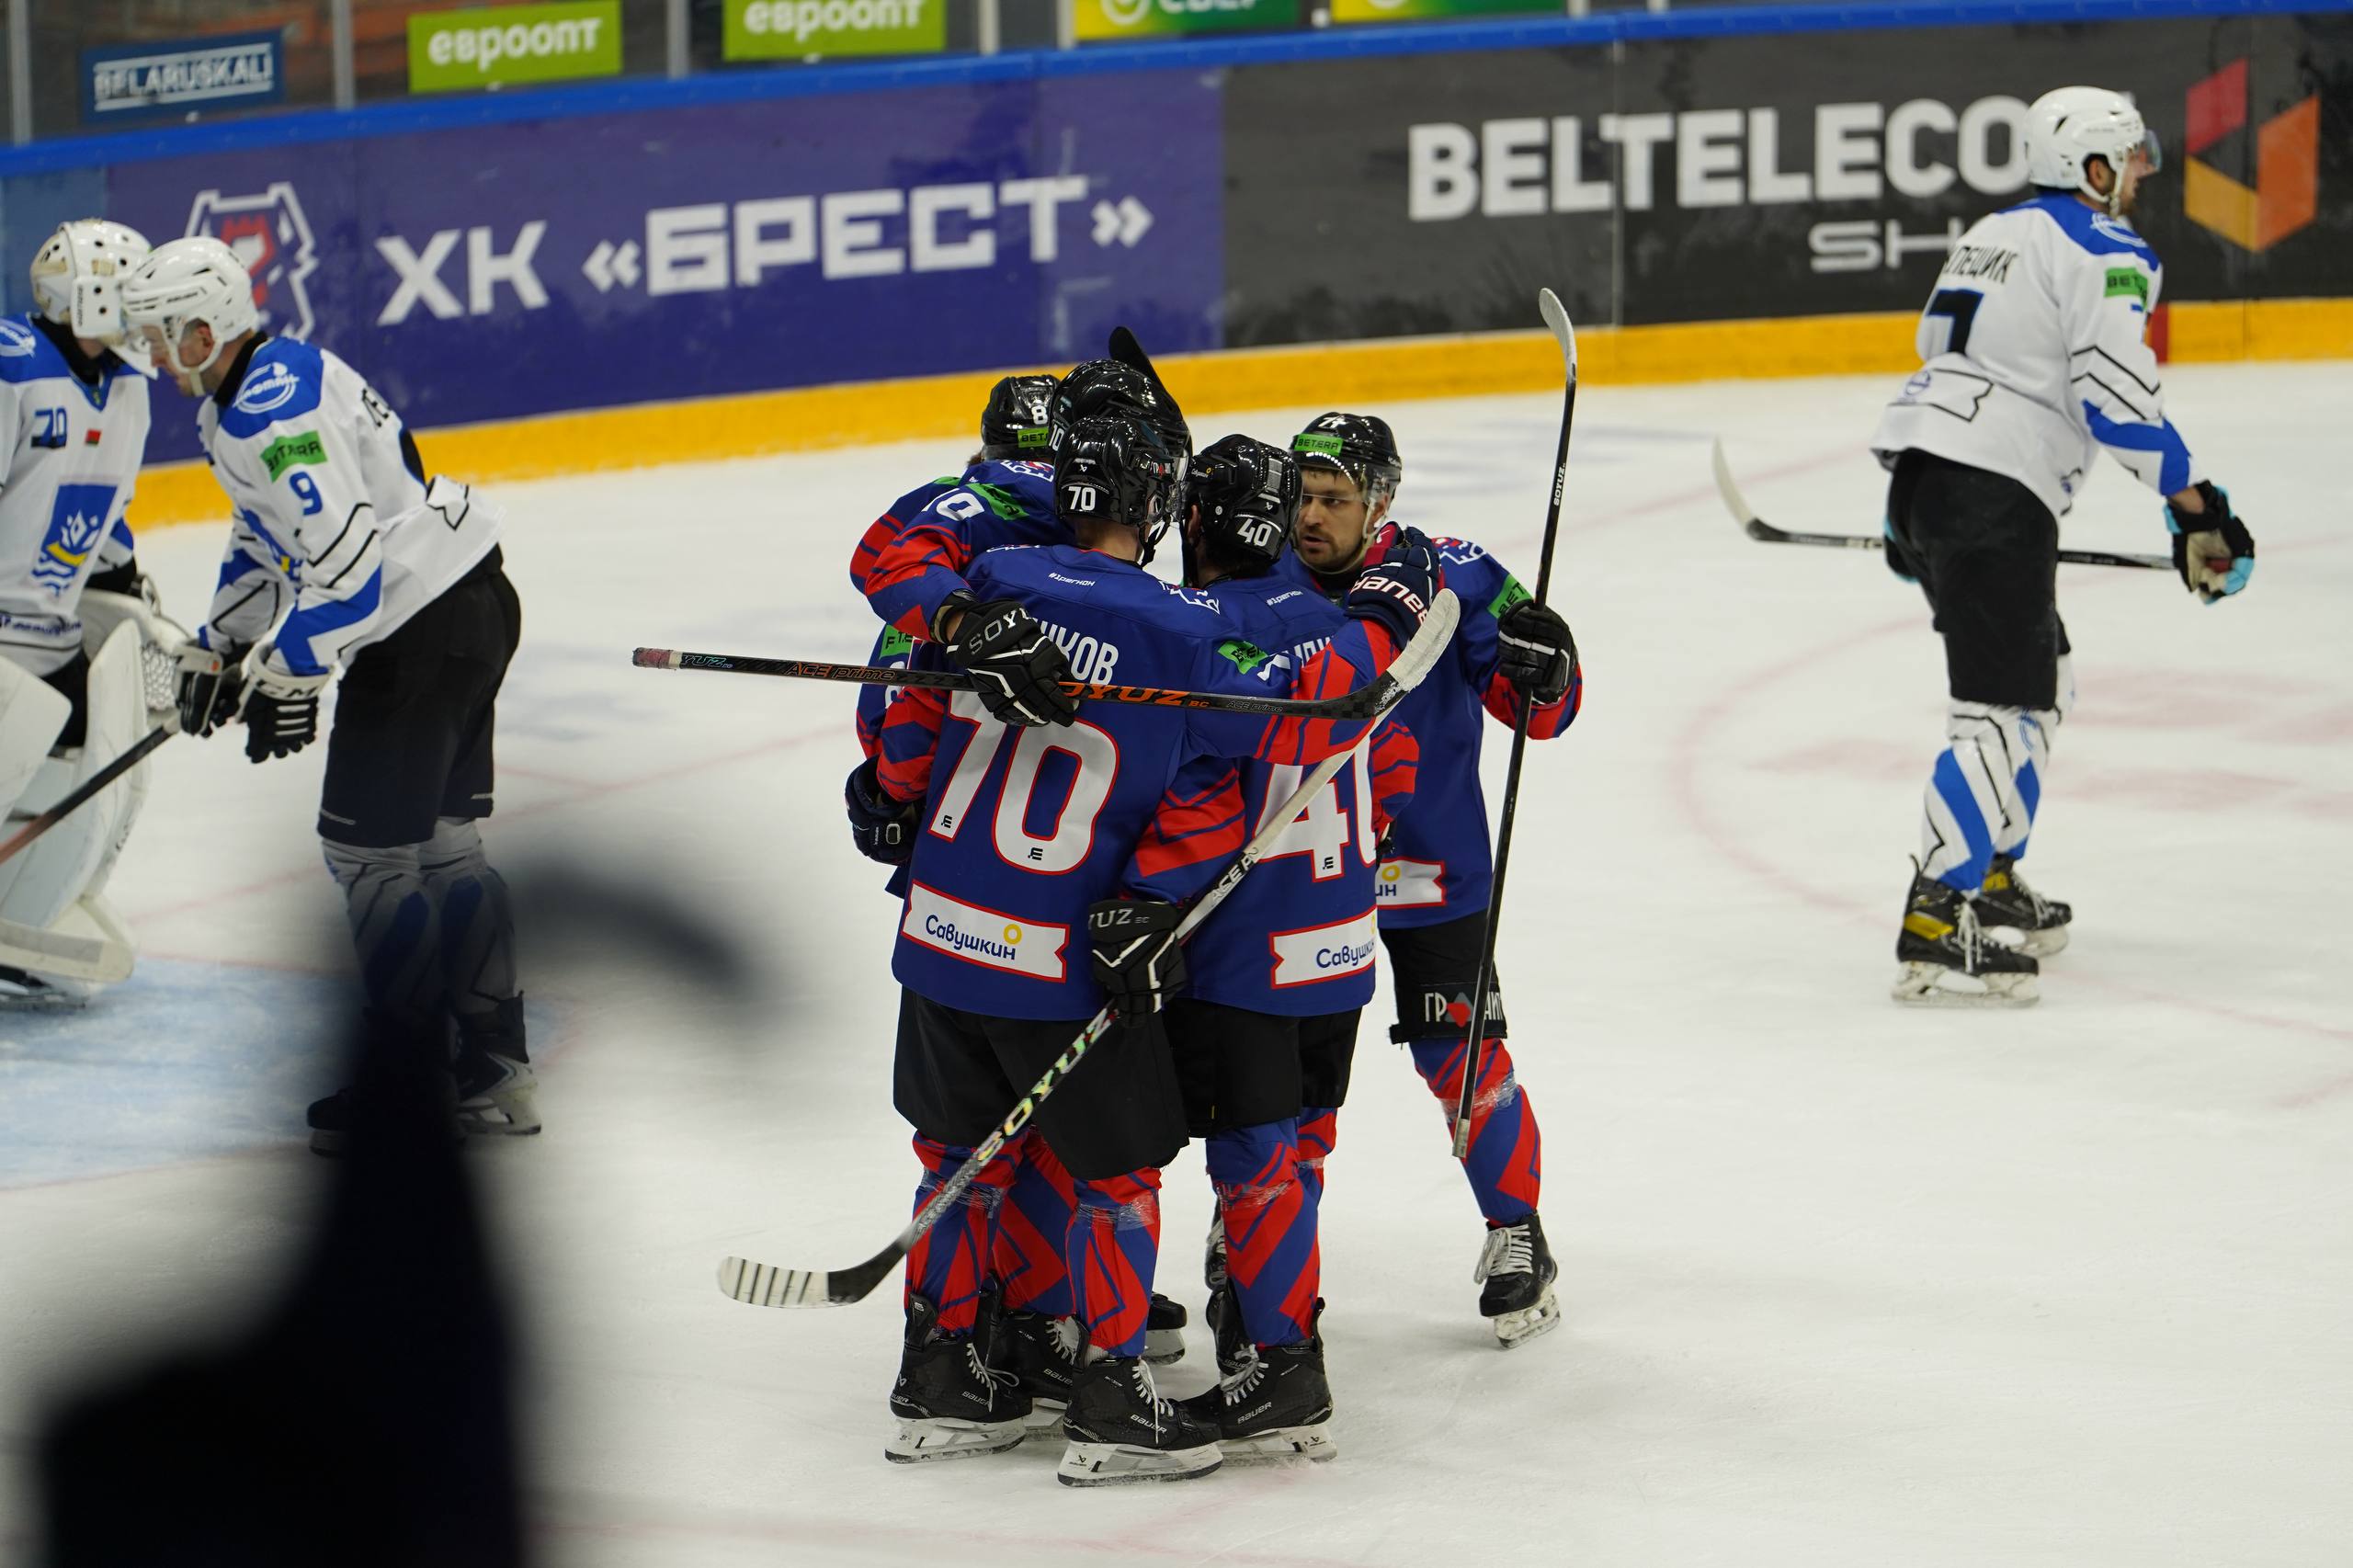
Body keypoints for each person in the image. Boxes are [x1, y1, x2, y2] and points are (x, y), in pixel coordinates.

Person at [853, 410, 1442, 1485]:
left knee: (954, 1156)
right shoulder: (1183, 631)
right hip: (1066, 955)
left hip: (940, 930)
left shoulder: (991, 580)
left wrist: (890, 788)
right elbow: (1284, 736)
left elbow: (906, 714)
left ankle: (941, 1375)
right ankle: (1114, 1394)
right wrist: (1153, 897)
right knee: (1121, 1175)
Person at [118, 236, 529, 1149]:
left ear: (204, 329)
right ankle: (495, 1065)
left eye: (160, 333)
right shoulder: (257, 387)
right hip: (471, 603)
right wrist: (223, 645)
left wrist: (288, 670)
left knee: (371, 858)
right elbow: (267, 537)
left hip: (417, 630)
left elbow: (350, 575)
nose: (151, 352)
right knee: (446, 847)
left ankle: (408, 1087)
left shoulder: (266, 414)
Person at [1870, 85, 2256, 1007]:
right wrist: (2197, 506)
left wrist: (1914, 516)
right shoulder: (2105, 247)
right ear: (2091, 165)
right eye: (2125, 159)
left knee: (2045, 681)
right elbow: (2116, 398)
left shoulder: (1991, 232)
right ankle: (1938, 916)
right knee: (1998, 711)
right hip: (1990, 492)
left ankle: (1991, 873)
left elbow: (1942, 350)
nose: (2135, 177)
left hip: (1928, 478)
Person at [1281, 411, 1582, 1348]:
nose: (1310, 516)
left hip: (1429, 864)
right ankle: (1249, 1236)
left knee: (1459, 1052)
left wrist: (1549, 668)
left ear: (1379, 501)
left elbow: (1541, 714)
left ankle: (1516, 1229)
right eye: (1302, 496)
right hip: (1298, 867)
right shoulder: (1263, 573)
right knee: (1282, 1072)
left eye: (1333, 499)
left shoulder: (1459, 574)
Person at [1161, 434, 1419, 1460]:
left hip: (1249, 954)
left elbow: (1186, 795)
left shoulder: (1207, 632)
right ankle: (1267, 1327)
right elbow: (1393, 762)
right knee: (1299, 1148)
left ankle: (1281, 1364)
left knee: (1255, 1156)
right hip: (1340, 941)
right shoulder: (1340, 627)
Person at [0, 219, 171, 1004]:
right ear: (88, 296)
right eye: (129, 295)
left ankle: (25, 912)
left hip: (53, 637)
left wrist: (128, 587)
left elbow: (107, 513)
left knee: (101, 770)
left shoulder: (129, 387)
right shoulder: (12, 367)